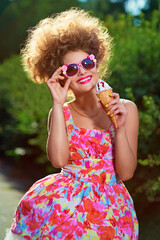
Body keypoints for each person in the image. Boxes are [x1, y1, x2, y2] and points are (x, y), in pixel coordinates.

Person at [5, 8, 139, 240]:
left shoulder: (126, 109)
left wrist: (119, 127)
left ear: (96, 59)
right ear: (61, 76)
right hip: (65, 210)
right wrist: (57, 104)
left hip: (111, 211)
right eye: (72, 68)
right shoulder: (60, 113)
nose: (83, 71)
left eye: (87, 62)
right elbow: (58, 161)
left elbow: (126, 173)